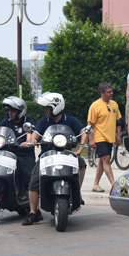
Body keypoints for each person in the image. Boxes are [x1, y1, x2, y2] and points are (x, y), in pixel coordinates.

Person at [23, 92, 88, 226]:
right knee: (33, 182)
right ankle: (34, 213)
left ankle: (77, 192)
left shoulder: (70, 120)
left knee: (81, 163)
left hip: (66, 155)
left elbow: (83, 131)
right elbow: (35, 134)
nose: (46, 110)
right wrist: (33, 140)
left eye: (48, 107)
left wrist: (80, 150)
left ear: (56, 107)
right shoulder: (44, 121)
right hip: (47, 156)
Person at [0, 96, 36, 194]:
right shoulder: (6, 122)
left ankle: (30, 199)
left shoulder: (28, 122)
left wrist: (28, 142)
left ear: (20, 111)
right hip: (8, 153)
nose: (10, 113)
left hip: (24, 154)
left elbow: (29, 134)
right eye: (9, 110)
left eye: (13, 111)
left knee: (29, 177)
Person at [88, 82, 122, 192]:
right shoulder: (95, 105)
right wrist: (91, 139)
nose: (112, 93)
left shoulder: (114, 104)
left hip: (110, 137)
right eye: (109, 92)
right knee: (106, 159)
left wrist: (119, 135)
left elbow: (118, 121)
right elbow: (90, 124)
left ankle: (95, 184)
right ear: (102, 93)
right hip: (99, 136)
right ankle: (114, 184)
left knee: (103, 161)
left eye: (111, 91)